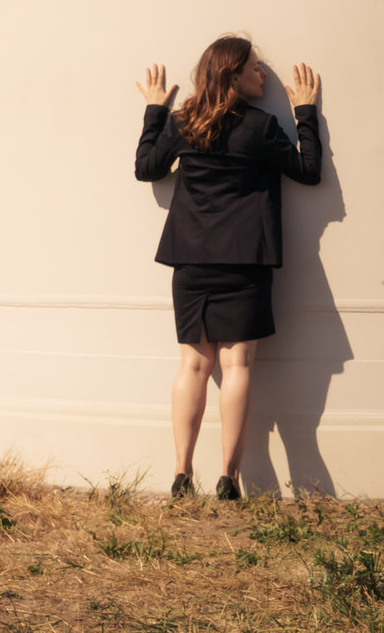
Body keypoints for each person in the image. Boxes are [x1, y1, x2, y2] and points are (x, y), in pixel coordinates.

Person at [135, 35, 323, 501]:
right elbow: (308, 170)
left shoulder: (184, 122)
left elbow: (147, 168)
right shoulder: (261, 127)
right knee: (237, 364)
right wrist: (305, 113)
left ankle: (181, 472)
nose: (264, 75)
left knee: (194, 365)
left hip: (191, 258)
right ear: (233, 75)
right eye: (256, 68)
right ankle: (229, 478)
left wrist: (156, 110)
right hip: (246, 260)